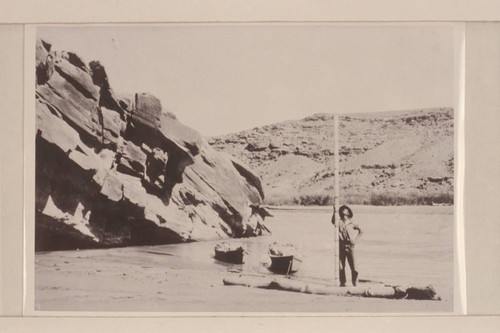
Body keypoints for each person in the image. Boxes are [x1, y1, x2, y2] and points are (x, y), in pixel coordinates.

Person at [331, 204, 363, 287]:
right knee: (341, 266)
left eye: (344, 212)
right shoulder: (339, 222)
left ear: (348, 214)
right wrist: (334, 211)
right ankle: (342, 283)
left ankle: (355, 284)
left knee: (354, 267)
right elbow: (333, 221)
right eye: (342, 212)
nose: (343, 213)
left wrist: (355, 240)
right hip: (341, 246)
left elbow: (361, 231)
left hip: (350, 246)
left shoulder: (352, 223)